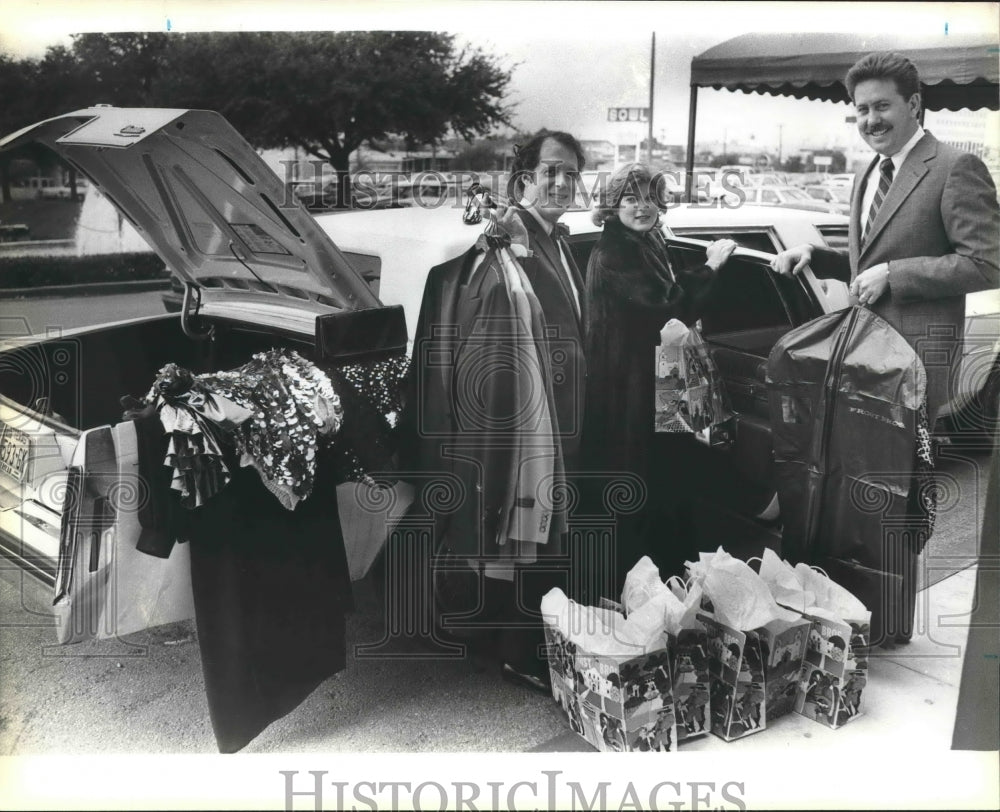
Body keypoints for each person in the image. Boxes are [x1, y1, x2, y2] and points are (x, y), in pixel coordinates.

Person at [771, 51, 1000, 644]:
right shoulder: (869, 172)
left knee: (902, 501)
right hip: (865, 363)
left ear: (914, 105)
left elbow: (987, 261)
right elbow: (865, 259)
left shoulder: (955, 167)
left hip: (915, 367)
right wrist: (814, 256)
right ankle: (855, 621)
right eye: (861, 110)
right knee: (860, 494)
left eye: (881, 107)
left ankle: (890, 627)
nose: (870, 119)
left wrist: (897, 275)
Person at [402, 130, 588, 694]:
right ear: (523, 179)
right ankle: (515, 650)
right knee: (523, 529)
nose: (559, 183)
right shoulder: (505, 244)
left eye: (570, 174)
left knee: (540, 532)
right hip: (525, 415)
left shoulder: (558, 240)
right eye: (549, 171)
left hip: (564, 411)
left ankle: (521, 643)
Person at [582, 163, 736, 596]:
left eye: (650, 197)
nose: (643, 207)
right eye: (631, 198)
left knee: (660, 486)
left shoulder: (644, 242)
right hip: (629, 392)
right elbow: (663, 306)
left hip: (651, 385)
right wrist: (711, 267)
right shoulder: (614, 252)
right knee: (644, 491)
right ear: (612, 207)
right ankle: (645, 592)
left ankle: (661, 586)